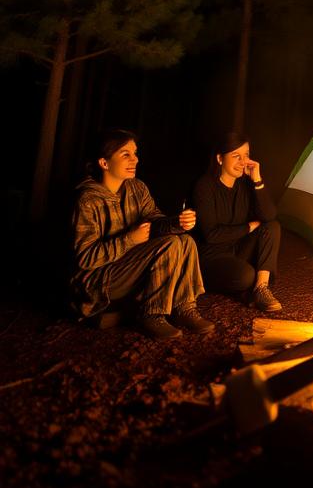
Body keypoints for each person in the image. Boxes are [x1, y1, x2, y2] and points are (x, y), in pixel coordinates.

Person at [70, 128, 215, 341]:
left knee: (184, 240)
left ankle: (183, 307)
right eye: (125, 154)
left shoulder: (136, 188)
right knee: (170, 245)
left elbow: (154, 221)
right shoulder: (87, 200)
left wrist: (176, 223)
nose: (135, 159)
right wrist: (130, 239)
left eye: (135, 153)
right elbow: (85, 258)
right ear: (104, 163)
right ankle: (152, 313)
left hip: (129, 268)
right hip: (98, 281)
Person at [192, 132, 283, 315]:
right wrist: (248, 227)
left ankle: (261, 289)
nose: (243, 161)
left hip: (238, 249)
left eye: (246, 155)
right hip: (213, 258)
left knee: (272, 227)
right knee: (245, 276)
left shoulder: (246, 184)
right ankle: (247, 288)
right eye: (236, 156)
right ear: (219, 158)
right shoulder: (204, 186)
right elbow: (211, 235)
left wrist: (257, 180)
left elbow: (269, 215)